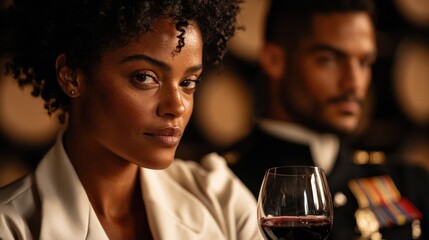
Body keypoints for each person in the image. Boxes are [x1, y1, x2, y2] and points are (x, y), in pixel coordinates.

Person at [0, 0, 263, 239]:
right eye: (144, 77)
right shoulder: (10, 226)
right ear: (72, 76)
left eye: (188, 82)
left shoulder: (221, 199)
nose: (176, 106)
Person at [221, 0, 429, 239]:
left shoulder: (408, 182)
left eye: (364, 62)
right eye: (329, 60)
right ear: (274, 60)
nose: (354, 83)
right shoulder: (220, 183)